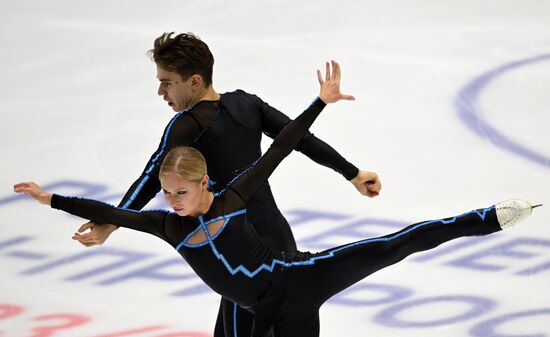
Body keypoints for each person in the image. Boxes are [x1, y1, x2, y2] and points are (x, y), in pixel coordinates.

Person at [14, 61, 539, 337]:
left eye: (180, 191)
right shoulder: (168, 225)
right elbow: (117, 211)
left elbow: (283, 146)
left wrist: (321, 104)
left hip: (298, 275)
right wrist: (51, 198)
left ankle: (488, 218)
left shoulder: (232, 196)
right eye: (168, 193)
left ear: (205, 185)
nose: (170, 200)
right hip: (266, 296)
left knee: (392, 245)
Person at [70, 32, 381, 337]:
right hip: (278, 238)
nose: (161, 92)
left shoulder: (185, 125)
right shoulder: (247, 103)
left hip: (240, 253)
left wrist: (110, 223)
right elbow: (298, 139)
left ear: (193, 81)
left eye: (167, 82)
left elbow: (152, 177)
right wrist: (352, 173)